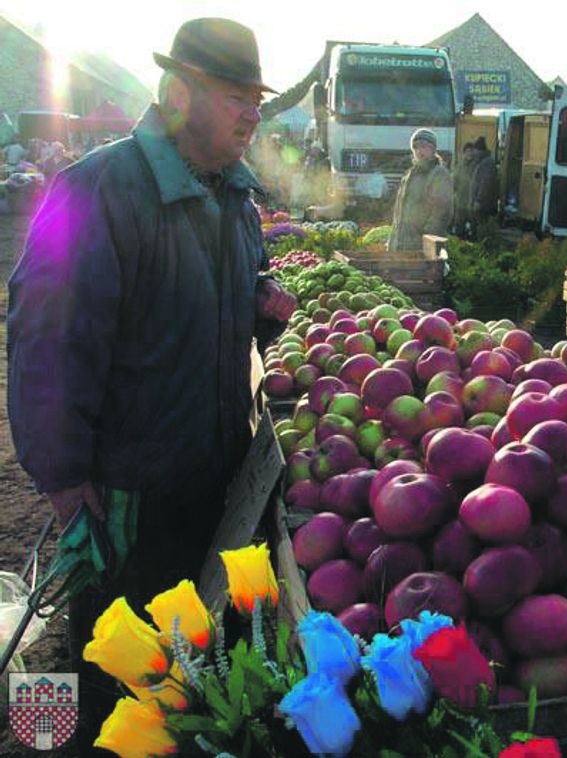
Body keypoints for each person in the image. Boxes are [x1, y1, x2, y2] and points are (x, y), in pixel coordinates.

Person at [6, 16, 296, 747]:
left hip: (210, 487)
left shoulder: (235, 198)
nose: (252, 112)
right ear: (178, 92)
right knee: (113, 679)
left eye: (256, 97)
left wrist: (262, 313)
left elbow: (214, 319)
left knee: (189, 679)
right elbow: (45, 344)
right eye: (235, 94)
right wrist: (67, 479)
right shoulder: (98, 191)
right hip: (127, 498)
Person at [389, 127, 453, 251]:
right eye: (415, 147)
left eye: (424, 146)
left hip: (420, 247)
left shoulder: (438, 174)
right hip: (401, 246)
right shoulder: (409, 175)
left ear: (433, 149)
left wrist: (427, 240)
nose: (419, 151)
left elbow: (442, 211)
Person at [468, 136, 499, 228]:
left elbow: (485, 184)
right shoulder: (483, 162)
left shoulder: (486, 163)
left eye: (475, 150)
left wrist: (478, 201)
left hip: (484, 206)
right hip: (483, 204)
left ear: (479, 150)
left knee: (481, 227)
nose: (473, 152)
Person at [452, 140, 476, 233]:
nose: (470, 154)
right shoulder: (460, 166)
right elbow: (454, 181)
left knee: (473, 229)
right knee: (459, 227)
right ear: (464, 153)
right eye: (468, 151)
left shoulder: (476, 166)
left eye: (471, 151)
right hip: (461, 202)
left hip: (472, 204)